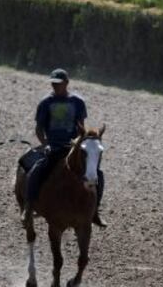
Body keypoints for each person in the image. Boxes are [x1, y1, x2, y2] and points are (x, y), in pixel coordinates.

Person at [23, 68, 106, 227]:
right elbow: (39, 128)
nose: (55, 86)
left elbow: (82, 127)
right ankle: (29, 207)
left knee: (98, 174)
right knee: (36, 169)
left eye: (59, 83)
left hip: (74, 148)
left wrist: (84, 142)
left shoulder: (78, 102)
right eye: (53, 83)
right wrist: (45, 143)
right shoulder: (45, 103)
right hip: (54, 148)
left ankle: (95, 211)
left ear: (67, 83)